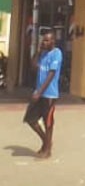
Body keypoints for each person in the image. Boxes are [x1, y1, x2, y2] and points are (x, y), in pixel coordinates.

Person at [23, 29, 63, 158]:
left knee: (48, 122)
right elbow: (33, 67)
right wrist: (38, 52)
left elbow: (51, 74)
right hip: (39, 92)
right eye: (43, 40)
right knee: (30, 119)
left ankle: (47, 150)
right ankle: (46, 141)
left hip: (49, 94)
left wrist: (39, 92)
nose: (44, 42)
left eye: (46, 40)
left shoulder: (57, 53)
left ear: (53, 41)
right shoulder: (43, 54)